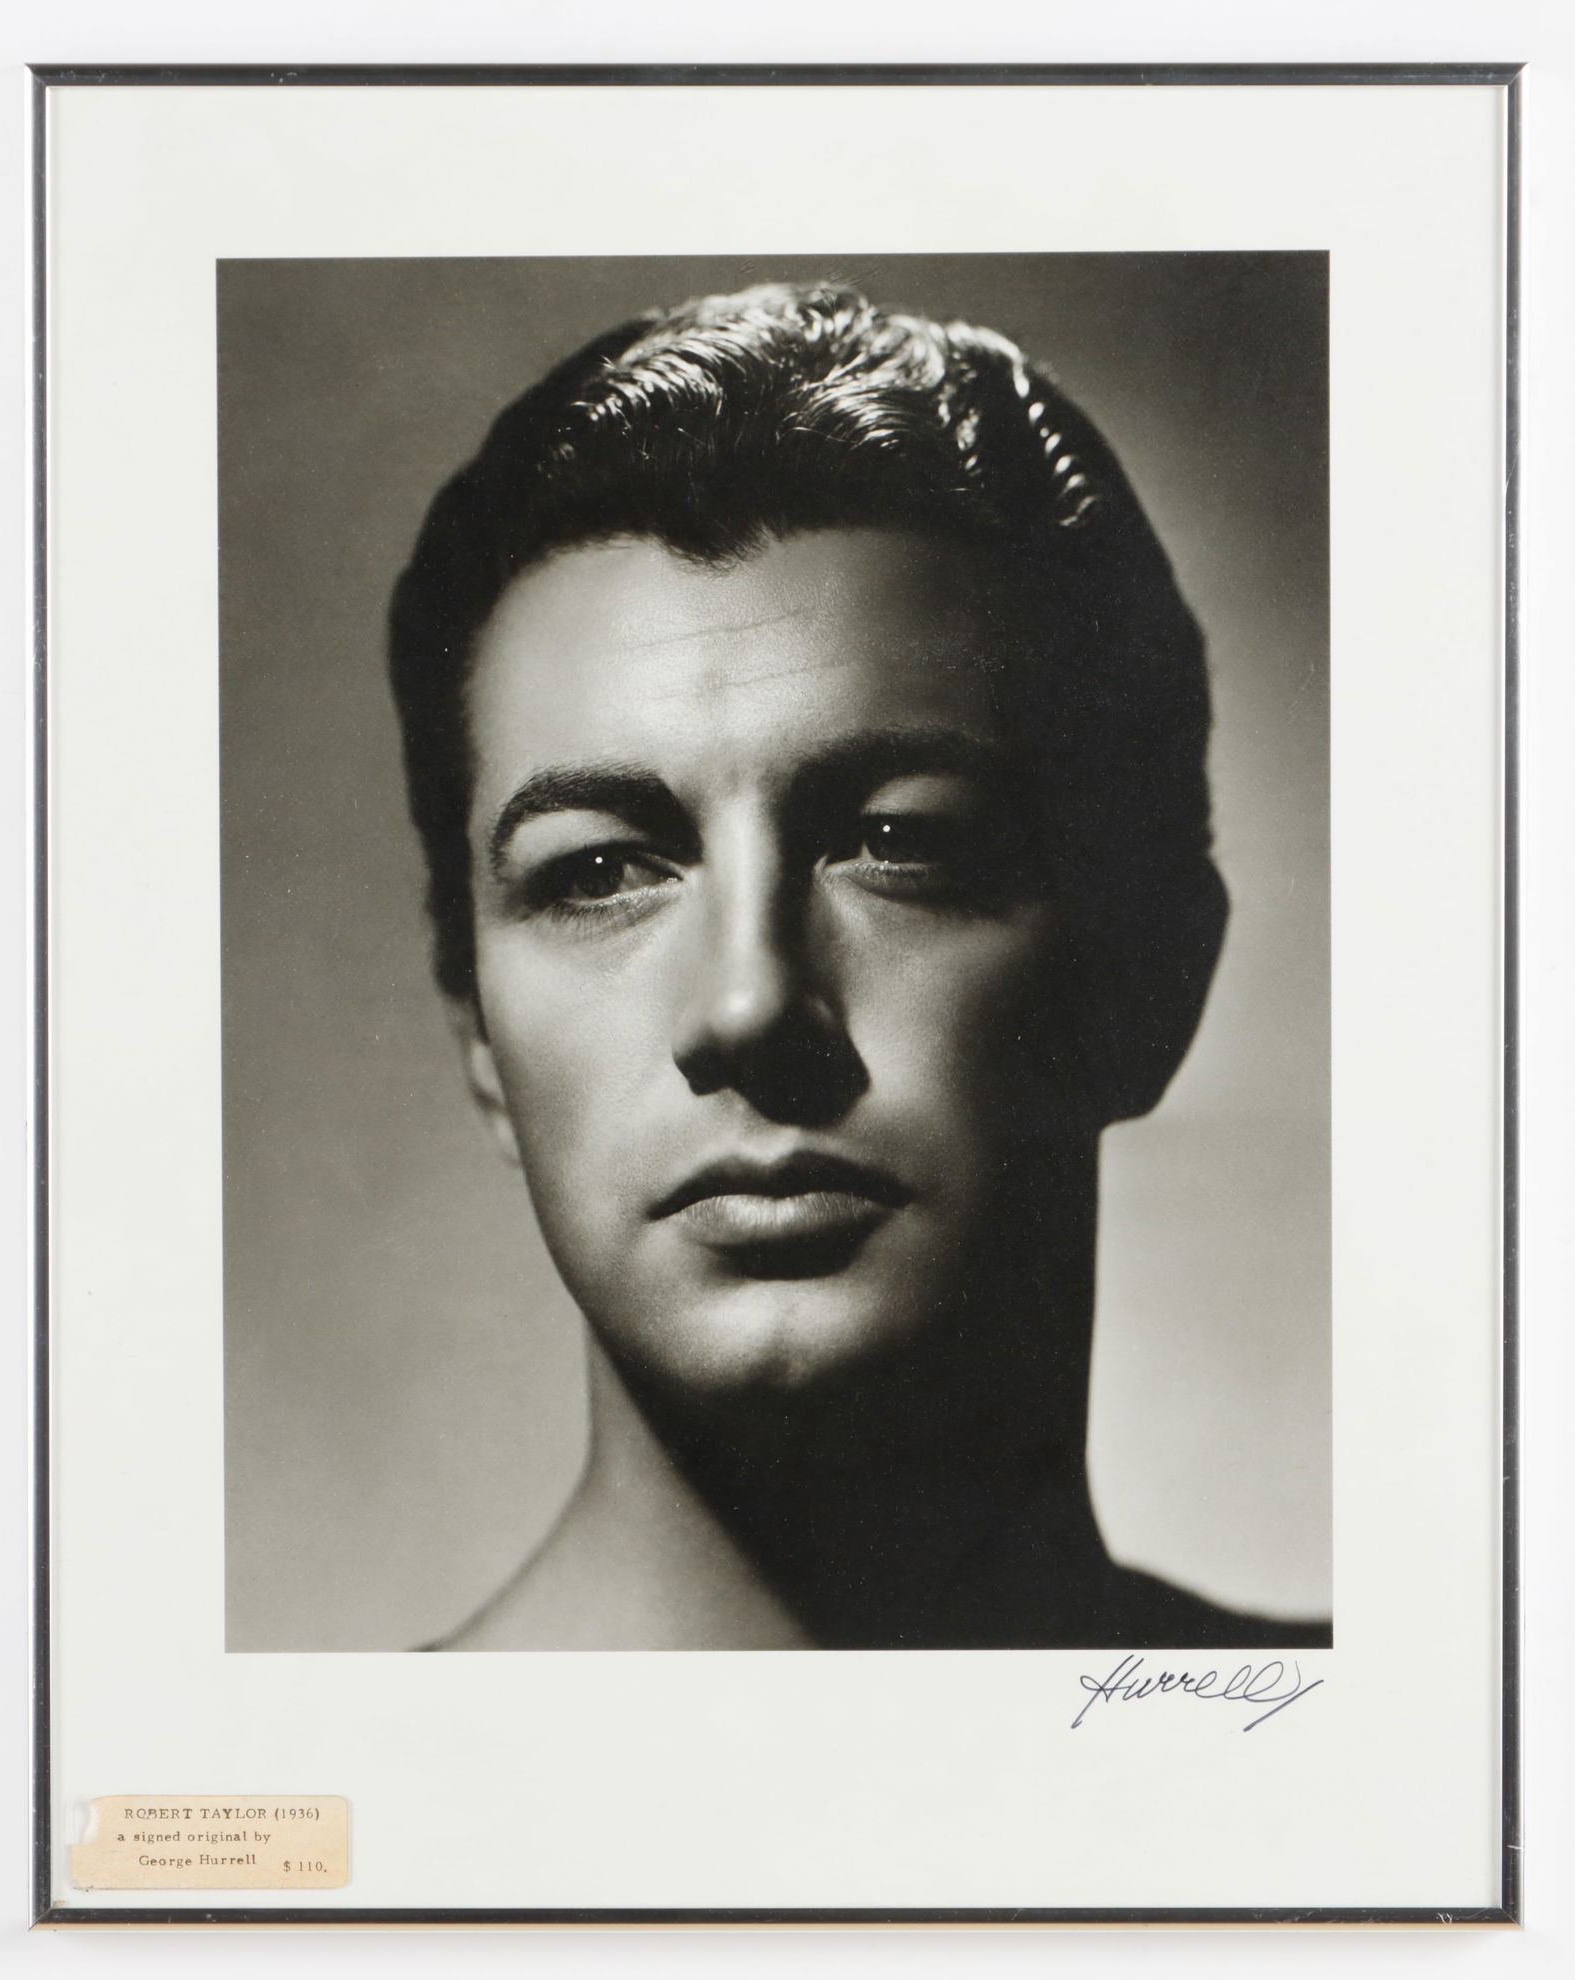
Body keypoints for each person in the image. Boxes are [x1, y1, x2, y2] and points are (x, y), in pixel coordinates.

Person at [388, 281, 1331, 1652]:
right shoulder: (352, 1825)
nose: (749, 1004)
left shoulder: (1408, 1783)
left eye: (902, 842)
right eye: (598, 871)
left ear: (1149, 977)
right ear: (479, 1036)